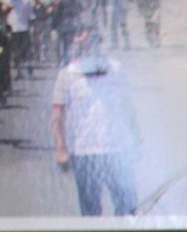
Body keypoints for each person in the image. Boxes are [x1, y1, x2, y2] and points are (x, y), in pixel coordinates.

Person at [50, 25, 137, 215]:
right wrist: (61, 149)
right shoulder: (66, 75)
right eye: (83, 44)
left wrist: (136, 138)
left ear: (99, 44)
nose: (88, 48)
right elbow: (57, 115)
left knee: (128, 208)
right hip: (85, 154)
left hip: (116, 151)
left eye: (92, 43)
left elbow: (127, 106)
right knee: (91, 213)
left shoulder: (116, 69)